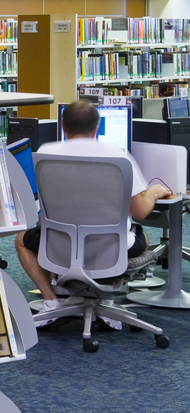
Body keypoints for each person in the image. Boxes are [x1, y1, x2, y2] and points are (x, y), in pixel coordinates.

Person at [15, 98, 172, 305]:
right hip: (112, 250)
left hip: (57, 248)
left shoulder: (45, 153)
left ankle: (51, 301)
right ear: (97, 127)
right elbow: (140, 212)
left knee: (21, 240)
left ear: (62, 125)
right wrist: (152, 192)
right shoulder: (118, 157)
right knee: (141, 234)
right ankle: (106, 300)